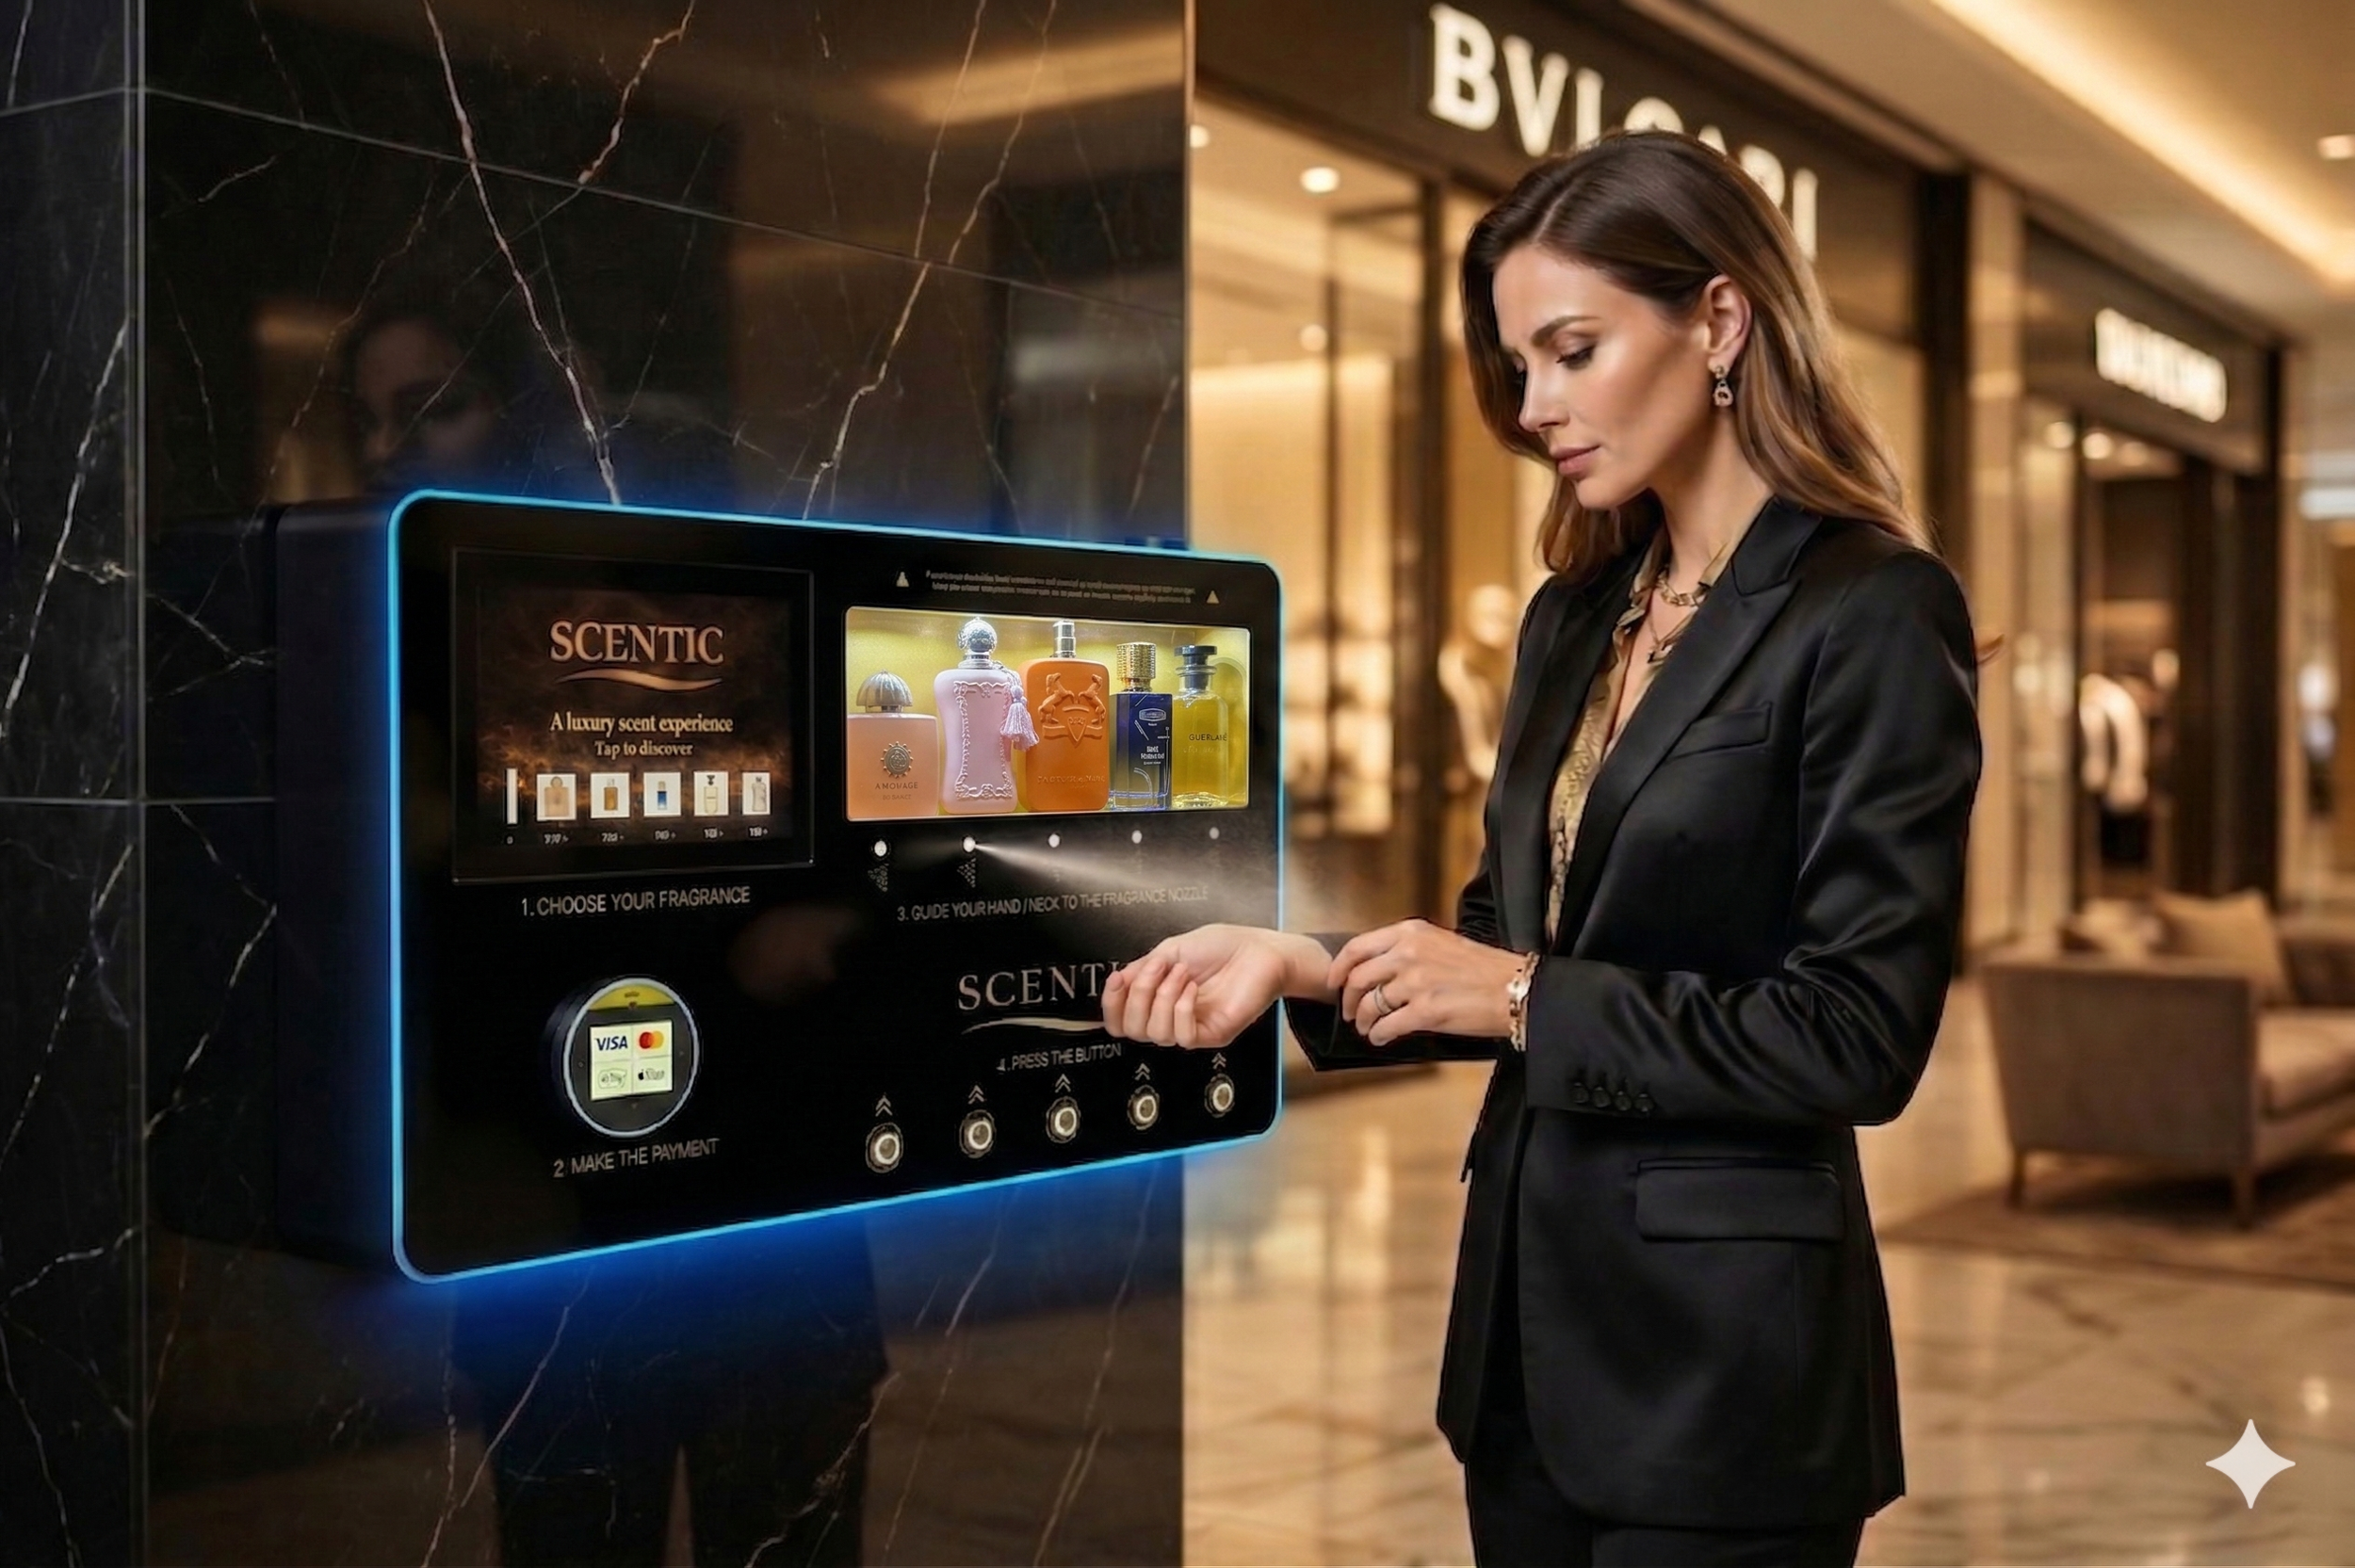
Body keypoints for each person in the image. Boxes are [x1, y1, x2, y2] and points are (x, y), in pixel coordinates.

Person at [1101, 130, 1981, 1567]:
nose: (1537, 407)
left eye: (1573, 350)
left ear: (1719, 319)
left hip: (1723, 1382)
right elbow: (1501, 929)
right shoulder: (1578, 614)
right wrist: (1301, 963)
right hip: (1520, 1350)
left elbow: (1856, 1037)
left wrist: (1514, 998)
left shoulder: (1873, 606)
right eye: (1519, 366)